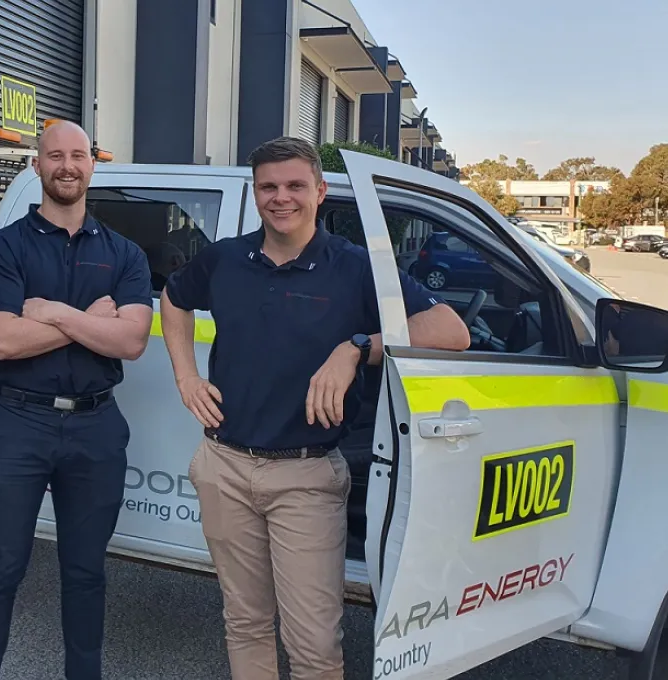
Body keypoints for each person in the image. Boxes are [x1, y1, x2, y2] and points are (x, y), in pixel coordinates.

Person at [158, 136, 470, 680]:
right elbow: (173, 299)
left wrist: (355, 347)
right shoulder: (226, 259)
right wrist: (185, 375)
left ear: (320, 192)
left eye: (295, 185)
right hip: (224, 467)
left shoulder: (354, 267)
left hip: (305, 476)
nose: (282, 198)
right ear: (256, 194)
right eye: (269, 187)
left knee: (313, 646)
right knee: (245, 621)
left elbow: (451, 330)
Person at [0, 120, 154, 680]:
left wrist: (52, 314)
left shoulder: (125, 254)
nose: (67, 165)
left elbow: (133, 340)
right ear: (36, 166)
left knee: (85, 572)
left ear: (93, 164)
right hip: (15, 423)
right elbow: (1, 339)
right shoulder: (4, 248)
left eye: (78, 155)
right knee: (0, 569)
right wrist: (90, 321)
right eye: (55, 156)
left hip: (96, 427)